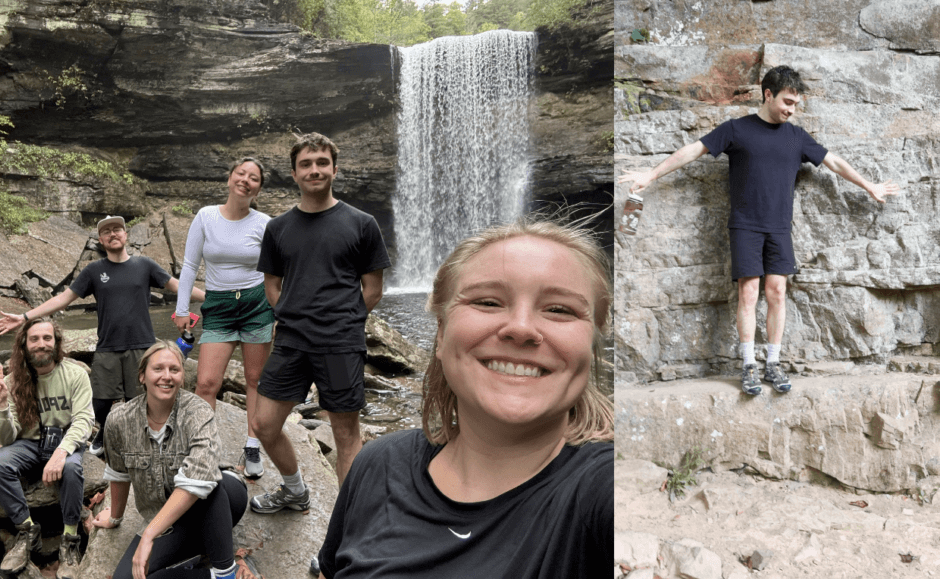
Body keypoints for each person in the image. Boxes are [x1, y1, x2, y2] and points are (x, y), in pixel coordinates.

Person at [317, 219, 615, 578]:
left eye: (559, 309)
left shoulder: (604, 488)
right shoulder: (378, 464)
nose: (521, 328)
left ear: (593, 344)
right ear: (441, 335)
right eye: (488, 302)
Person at [618, 65, 901, 395]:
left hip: (779, 228)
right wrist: (650, 175)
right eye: (787, 102)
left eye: (795, 104)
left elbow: (834, 162)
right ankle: (749, 365)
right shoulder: (736, 130)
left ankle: (773, 362)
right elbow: (693, 151)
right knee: (749, 293)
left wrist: (870, 186)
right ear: (768, 94)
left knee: (777, 293)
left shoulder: (797, 137)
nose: (791, 110)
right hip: (745, 226)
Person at [250, 132, 391, 514]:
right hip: (292, 341)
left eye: (322, 163)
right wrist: (293, 315)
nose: (315, 170)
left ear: (334, 168)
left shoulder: (362, 223)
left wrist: (342, 320)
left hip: (341, 342)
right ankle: (295, 490)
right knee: (263, 424)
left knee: (346, 435)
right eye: (306, 165)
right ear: (294, 174)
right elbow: (272, 286)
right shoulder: (278, 228)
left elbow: (373, 289)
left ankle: (345, 528)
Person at [0, 215, 205, 456]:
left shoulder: (145, 265)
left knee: (141, 397)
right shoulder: (94, 270)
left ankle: (144, 435)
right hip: (108, 346)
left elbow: (178, 286)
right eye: (107, 232)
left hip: (142, 344)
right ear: (101, 240)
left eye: (117, 230)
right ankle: (103, 431)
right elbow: (64, 298)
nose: (113, 234)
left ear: (125, 235)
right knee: (100, 400)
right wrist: (25, 317)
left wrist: (212, 297)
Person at [90, 341, 257, 579]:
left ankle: (225, 572)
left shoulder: (198, 411)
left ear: (182, 376)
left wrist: (148, 535)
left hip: (221, 500)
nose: (166, 377)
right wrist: (115, 517)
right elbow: (119, 473)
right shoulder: (119, 420)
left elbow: (198, 479)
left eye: (174, 370)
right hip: (168, 517)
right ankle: (207, 574)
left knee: (207, 487)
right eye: (158, 369)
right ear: (142, 376)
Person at [174, 157, 274, 479]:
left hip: (257, 304)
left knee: (254, 380)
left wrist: (281, 308)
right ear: (229, 178)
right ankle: (206, 450)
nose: (246, 180)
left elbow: (277, 272)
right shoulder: (205, 216)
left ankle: (252, 447)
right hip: (217, 306)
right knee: (206, 383)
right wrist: (180, 308)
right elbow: (190, 266)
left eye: (254, 177)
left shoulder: (265, 224)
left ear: (259, 187)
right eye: (240, 173)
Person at [0, 319, 93, 579]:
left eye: (47, 338)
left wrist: (62, 451)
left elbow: (84, 420)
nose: (41, 344)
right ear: (24, 344)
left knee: (70, 468)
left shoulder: (75, 374)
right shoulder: (12, 382)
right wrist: (0, 407)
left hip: (66, 441)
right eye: (35, 339)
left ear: (56, 343)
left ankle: (70, 540)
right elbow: (6, 439)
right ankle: (27, 529)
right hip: (28, 444)